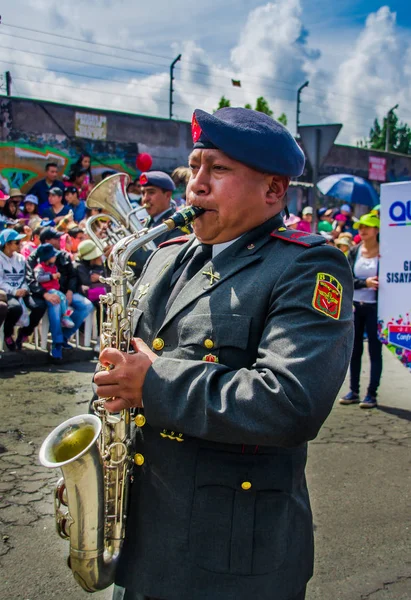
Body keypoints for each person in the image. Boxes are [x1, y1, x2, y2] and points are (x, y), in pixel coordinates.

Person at [94, 106, 354, 600]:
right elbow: (123, 365)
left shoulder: (308, 265)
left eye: (218, 169)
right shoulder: (164, 255)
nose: (196, 185)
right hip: (144, 541)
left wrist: (152, 382)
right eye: (194, 166)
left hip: (232, 556)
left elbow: (290, 402)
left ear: (274, 190)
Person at [27, 226, 94, 357]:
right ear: (47, 240)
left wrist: (70, 290)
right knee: (55, 303)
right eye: (55, 238)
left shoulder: (63, 255)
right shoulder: (33, 258)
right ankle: (57, 343)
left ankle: (64, 336)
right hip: (45, 293)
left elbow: (73, 275)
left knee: (86, 305)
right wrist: (45, 294)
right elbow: (31, 279)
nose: (59, 240)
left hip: (64, 292)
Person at [339, 212, 381, 409]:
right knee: (354, 351)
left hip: (376, 310)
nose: (362, 230)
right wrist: (365, 282)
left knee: (375, 351)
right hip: (355, 308)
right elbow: (345, 278)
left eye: (367, 227)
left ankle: (371, 394)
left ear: (377, 230)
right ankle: (353, 391)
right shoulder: (354, 252)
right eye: (360, 227)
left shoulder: (386, 253)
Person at [127, 171, 182, 278]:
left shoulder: (178, 225)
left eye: (151, 192)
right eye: (143, 193)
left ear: (167, 195)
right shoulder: (144, 223)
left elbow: (162, 262)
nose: (145, 199)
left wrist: (125, 253)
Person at [0, 228, 45, 351]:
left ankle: (24, 333)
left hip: (22, 290)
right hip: (6, 292)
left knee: (39, 306)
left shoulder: (20, 258)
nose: (20, 244)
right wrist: (14, 292)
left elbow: (25, 277)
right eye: (16, 242)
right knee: (14, 308)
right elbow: (0, 282)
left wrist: (23, 289)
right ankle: (8, 334)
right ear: (7, 244)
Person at [34, 243, 75, 329]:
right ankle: (65, 317)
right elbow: (38, 278)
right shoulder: (40, 268)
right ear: (47, 258)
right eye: (53, 256)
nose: (55, 257)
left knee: (64, 299)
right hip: (48, 290)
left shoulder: (54, 267)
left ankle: (64, 316)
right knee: (61, 298)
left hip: (55, 289)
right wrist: (51, 276)